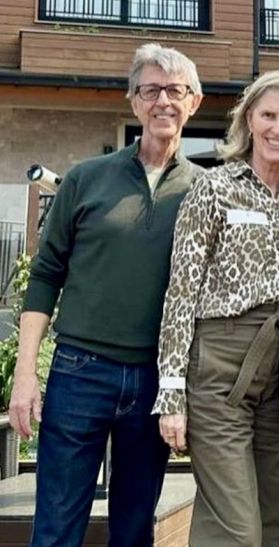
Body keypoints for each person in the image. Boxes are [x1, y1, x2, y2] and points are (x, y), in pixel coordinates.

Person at [8, 43, 204, 546]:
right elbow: (46, 274)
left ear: (194, 101)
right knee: (56, 528)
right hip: (80, 371)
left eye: (175, 90)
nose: (163, 101)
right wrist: (26, 375)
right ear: (134, 101)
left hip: (158, 381)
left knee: (134, 530)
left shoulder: (207, 190)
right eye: (151, 90)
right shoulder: (85, 179)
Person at [152, 69, 279, 547]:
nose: (278, 128)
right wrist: (171, 397)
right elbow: (180, 292)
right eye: (269, 115)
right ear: (249, 118)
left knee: (269, 523)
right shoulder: (213, 187)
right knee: (236, 531)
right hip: (220, 365)